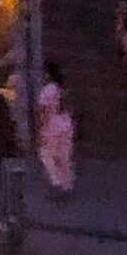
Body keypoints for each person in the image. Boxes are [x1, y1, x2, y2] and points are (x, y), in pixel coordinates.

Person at [37, 61, 78, 196]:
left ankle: (56, 182)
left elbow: (44, 111)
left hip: (52, 126)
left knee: (46, 155)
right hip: (66, 124)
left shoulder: (46, 90)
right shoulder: (61, 89)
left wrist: (41, 130)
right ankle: (67, 185)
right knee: (64, 156)